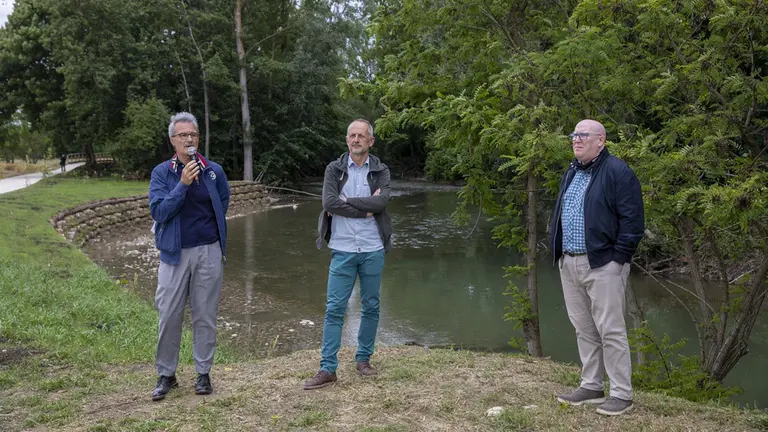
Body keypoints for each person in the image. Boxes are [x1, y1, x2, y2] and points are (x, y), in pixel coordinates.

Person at [550, 119, 644, 416]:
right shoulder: (572, 171)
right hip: (570, 261)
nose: (576, 140)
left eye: (583, 135)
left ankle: (621, 394)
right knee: (584, 328)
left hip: (604, 264)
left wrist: (619, 259)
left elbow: (632, 221)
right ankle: (591, 385)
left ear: (601, 140)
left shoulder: (618, 171)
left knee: (611, 330)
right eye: (574, 135)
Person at [304, 119, 392, 390]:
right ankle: (327, 368)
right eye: (352, 136)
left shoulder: (381, 170)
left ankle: (363, 359)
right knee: (334, 309)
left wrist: (347, 202)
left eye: (361, 136)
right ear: (347, 140)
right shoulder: (334, 169)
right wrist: (364, 208)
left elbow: (381, 202)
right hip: (342, 248)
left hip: (372, 248)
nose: (356, 140)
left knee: (372, 306)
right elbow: (328, 202)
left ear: (370, 141)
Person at [148, 112, 230, 401]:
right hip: (173, 254)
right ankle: (166, 375)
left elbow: (223, 204)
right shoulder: (162, 173)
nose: (189, 139)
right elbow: (159, 212)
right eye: (183, 135)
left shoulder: (213, 171)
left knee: (205, 315)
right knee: (169, 314)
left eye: (193, 134)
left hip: (208, 251)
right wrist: (182, 183)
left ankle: (203, 373)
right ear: (173, 140)